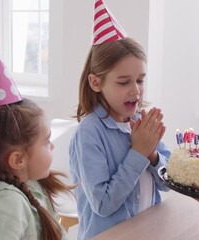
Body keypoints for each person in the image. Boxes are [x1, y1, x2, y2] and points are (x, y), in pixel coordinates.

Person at [69, 1, 171, 239]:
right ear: (96, 83)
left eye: (140, 80)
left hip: (147, 232)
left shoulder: (143, 122)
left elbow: (168, 184)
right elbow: (103, 204)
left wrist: (153, 155)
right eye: (124, 82)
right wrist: (138, 153)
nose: (135, 91)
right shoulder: (90, 133)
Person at [0, 33, 72, 240]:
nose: (52, 146)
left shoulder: (32, 184)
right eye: (46, 141)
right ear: (18, 159)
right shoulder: (5, 205)